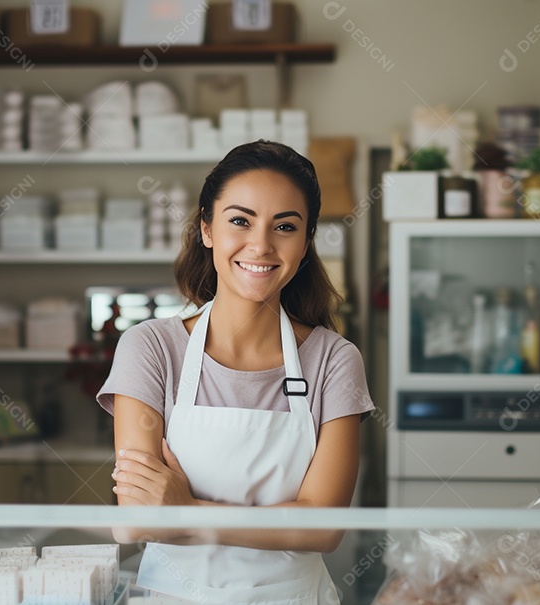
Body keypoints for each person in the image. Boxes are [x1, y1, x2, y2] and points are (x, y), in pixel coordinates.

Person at [96, 140, 375, 604]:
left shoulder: (334, 360)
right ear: (207, 228)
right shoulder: (152, 348)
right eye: (240, 220)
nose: (261, 245)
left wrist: (188, 512)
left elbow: (323, 527)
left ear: (305, 245)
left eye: (284, 226)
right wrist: (280, 521)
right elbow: (137, 519)